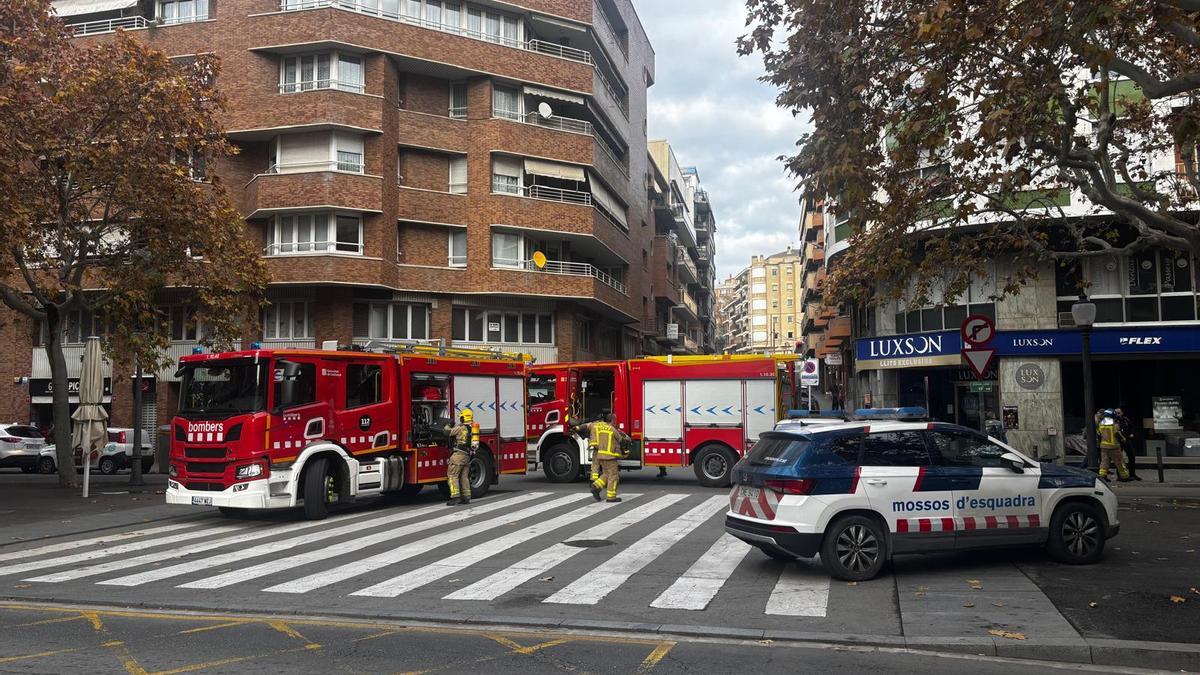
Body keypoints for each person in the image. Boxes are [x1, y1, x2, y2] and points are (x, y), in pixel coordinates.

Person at [574, 412, 630, 503]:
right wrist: (627, 445)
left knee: (606, 474)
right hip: (610, 457)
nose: (616, 421)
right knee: (613, 476)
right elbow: (621, 440)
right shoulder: (612, 429)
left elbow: (585, 428)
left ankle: (596, 486)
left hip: (601, 455)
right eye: (615, 420)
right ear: (612, 420)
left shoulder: (599, 428)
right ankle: (611, 497)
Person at [443, 408, 479, 506]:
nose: (460, 419)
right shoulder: (472, 428)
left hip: (458, 455)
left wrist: (448, 424)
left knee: (452, 475)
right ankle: (466, 497)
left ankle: (455, 497)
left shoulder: (460, 428)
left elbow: (447, 432)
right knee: (464, 477)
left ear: (464, 418)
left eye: (461, 417)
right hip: (467, 455)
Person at [1096, 409, 1130, 482]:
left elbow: (1099, 434)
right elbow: (1117, 434)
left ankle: (1102, 476)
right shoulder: (1114, 424)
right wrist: (1123, 439)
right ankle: (1124, 477)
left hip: (1104, 447)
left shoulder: (1101, 424)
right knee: (1119, 462)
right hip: (1114, 447)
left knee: (1104, 462)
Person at [1115, 408, 1142, 481]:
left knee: (1132, 457)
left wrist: (1132, 433)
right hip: (1119, 441)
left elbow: (1131, 427)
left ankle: (1132, 474)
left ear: (1122, 413)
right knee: (1119, 459)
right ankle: (1120, 476)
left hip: (1127, 440)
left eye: (1119, 413)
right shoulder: (1114, 421)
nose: (1117, 414)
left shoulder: (1126, 419)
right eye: (1116, 413)